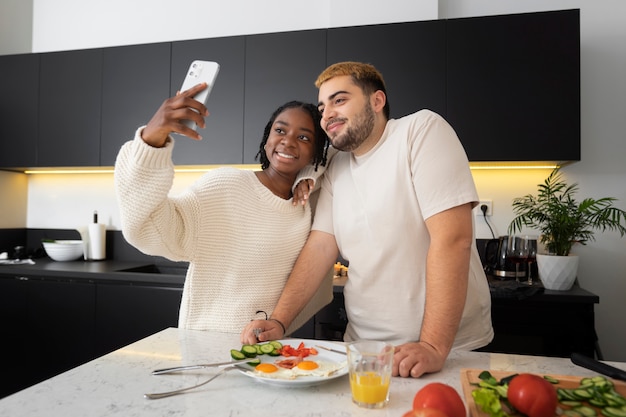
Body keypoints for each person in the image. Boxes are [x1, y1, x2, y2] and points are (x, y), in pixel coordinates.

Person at [242, 62, 494, 378]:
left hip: (446, 351)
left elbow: (452, 239)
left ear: (377, 101)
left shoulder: (421, 131)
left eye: (339, 100)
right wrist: (279, 320)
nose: (327, 114)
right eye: (322, 107)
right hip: (364, 351)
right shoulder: (336, 166)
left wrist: (432, 346)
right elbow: (320, 246)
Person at [114, 82, 333, 334]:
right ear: (266, 139)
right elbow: (148, 229)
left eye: (304, 137)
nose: (288, 141)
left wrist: (310, 173)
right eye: (280, 130)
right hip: (206, 348)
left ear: (316, 151)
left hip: (269, 355)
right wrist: (151, 139)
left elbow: (341, 153)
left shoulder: (307, 204)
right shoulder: (227, 185)